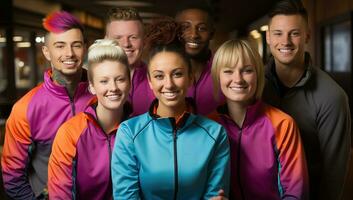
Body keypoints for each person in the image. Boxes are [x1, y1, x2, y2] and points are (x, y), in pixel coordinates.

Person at [111, 17, 230, 199]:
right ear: (150, 82)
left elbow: (215, 195)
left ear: (190, 77)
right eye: (159, 76)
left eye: (177, 74)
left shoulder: (215, 134)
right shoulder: (129, 133)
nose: (169, 84)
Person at [263, 0, 351, 199]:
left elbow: (333, 174)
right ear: (268, 37)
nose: (285, 41)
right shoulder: (253, 86)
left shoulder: (332, 97)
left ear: (307, 36)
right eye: (278, 33)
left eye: (294, 33)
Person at [1, 11, 92, 199]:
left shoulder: (103, 95)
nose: (69, 53)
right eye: (60, 46)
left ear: (85, 48)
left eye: (76, 45)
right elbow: (12, 177)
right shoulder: (25, 108)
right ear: (46, 52)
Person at [209, 39, 309, 199]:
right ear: (217, 77)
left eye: (247, 70)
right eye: (228, 71)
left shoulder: (283, 125)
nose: (238, 79)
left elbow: (295, 193)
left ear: (258, 75)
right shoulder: (208, 126)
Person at [48, 39, 131, 199]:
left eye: (120, 79)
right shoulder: (70, 133)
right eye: (104, 81)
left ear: (129, 83)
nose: (113, 87)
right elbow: (60, 195)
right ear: (92, 86)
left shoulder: (141, 130)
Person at [175, 5, 224, 115]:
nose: (193, 35)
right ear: (176, 32)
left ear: (211, 34)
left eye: (202, 28)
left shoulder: (226, 71)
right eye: (185, 27)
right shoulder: (164, 75)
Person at [105, 7, 154, 116]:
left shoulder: (159, 82)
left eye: (133, 37)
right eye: (118, 38)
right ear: (105, 40)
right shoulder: (93, 84)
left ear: (144, 41)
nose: (126, 44)